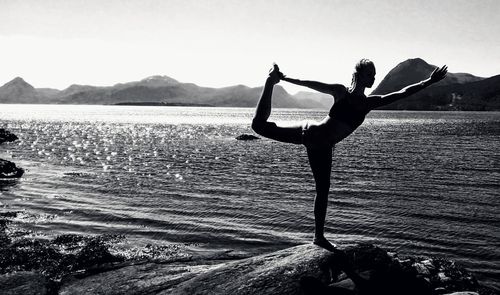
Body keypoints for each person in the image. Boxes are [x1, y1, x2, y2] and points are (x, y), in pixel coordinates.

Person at [251, 59, 447, 251]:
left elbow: (402, 93)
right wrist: (284, 79)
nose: (373, 78)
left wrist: (429, 81)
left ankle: (318, 238)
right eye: (370, 74)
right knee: (258, 127)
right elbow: (312, 84)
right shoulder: (341, 92)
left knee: (323, 189)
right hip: (314, 134)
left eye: (374, 74)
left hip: (321, 142)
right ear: (359, 75)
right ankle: (271, 81)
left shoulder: (369, 103)